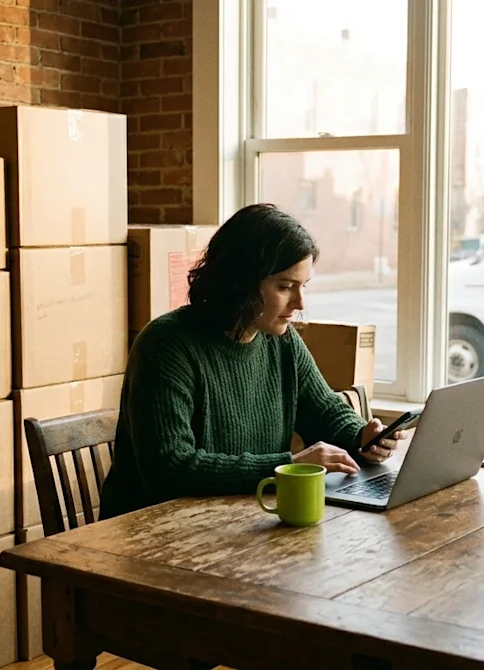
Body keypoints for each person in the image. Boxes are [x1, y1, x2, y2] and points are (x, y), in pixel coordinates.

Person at [98, 204, 410, 520]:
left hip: (238, 521)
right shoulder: (166, 345)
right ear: (241, 282)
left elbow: (325, 412)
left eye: (304, 286)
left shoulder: (282, 341)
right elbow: (170, 468)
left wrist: (364, 437)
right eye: (285, 287)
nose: (300, 303)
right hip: (150, 533)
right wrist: (286, 466)